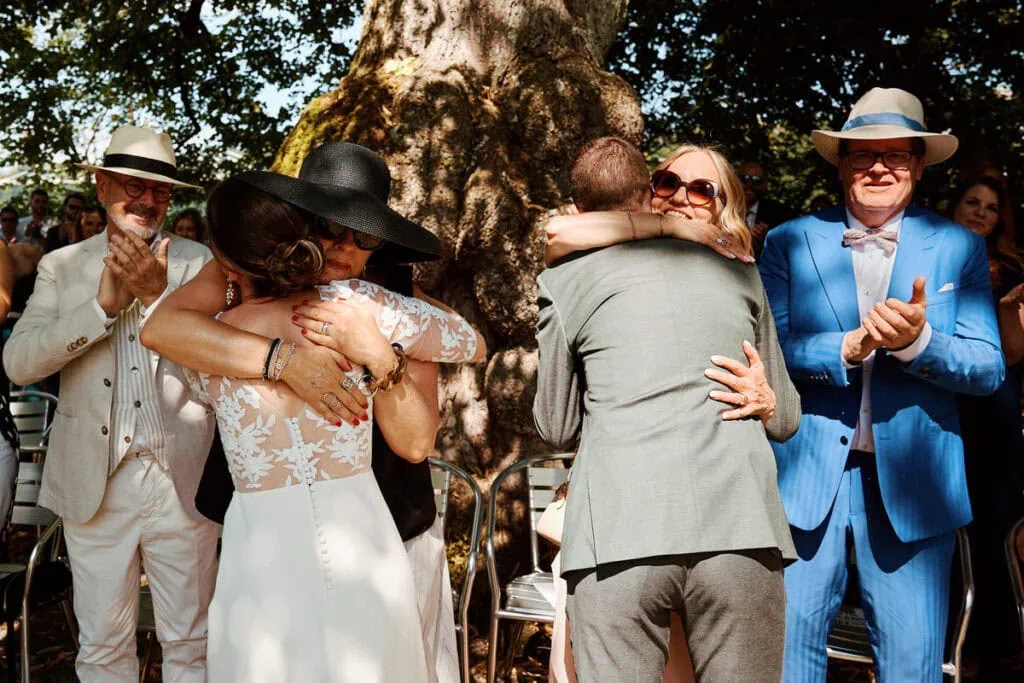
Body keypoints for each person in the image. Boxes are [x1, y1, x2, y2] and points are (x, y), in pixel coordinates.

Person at [142, 142, 481, 683]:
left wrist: (377, 352)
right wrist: (282, 361)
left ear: (381, 242)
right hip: (267, 542)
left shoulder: (390, 297)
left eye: (365, 234)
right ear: (299, 227)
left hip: (393, 525)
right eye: (330, 228)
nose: (346, 247)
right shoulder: (235, 280)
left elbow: (422, 432)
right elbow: (160, 328)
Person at [758, 87, 1005, 683]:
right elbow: (767, 352)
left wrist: (917, 344)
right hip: (804, 481)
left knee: (912, 665)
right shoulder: (788, 241)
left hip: (916, 487)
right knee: (786, 657)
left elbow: (988, 367)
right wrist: (844, 347)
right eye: (864, 153)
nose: (878, 166)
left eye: (896, 155)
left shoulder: (959, 248)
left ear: (919, 166)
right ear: (841, 162)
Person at [534, 137, 801, 682]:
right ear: (645, 194)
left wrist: (766, 395)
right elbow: (790, 422)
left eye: (702, 189)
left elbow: (556, 425)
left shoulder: (563, 280)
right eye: (668, 183)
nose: (681, 197)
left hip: (620, 534)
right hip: (740, 531)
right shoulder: (742, 275)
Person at [2, 125, 219, 683]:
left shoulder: (201, 263)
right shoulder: (62, 266)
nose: (148, 200)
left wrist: (155, 296)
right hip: (93, 484)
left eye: (162, 191)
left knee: (193, 644)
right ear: (101, 186)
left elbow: (223, 375)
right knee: (100, 646)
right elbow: (19, 363)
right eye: (132, 185)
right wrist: (100, 309)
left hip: (185, 479)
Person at [948, 176, 1024, 678]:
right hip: (940, 407)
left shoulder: (1014, 271)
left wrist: (1004, 312)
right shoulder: (928, 255)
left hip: (993, 410)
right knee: (946, 524)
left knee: (993, 526)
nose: (980, 213)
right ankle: (947, 641)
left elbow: (1013, 353)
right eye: (972, 203)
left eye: (991, 208)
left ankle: (993, 647)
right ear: (953, 206)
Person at [739, 160, 790, 257]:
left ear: (765, 184)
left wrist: (767, 239)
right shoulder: (723, 208)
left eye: (756, 180)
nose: (749, 185)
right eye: (744, 179)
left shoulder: (777, 213)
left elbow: (785, 250)